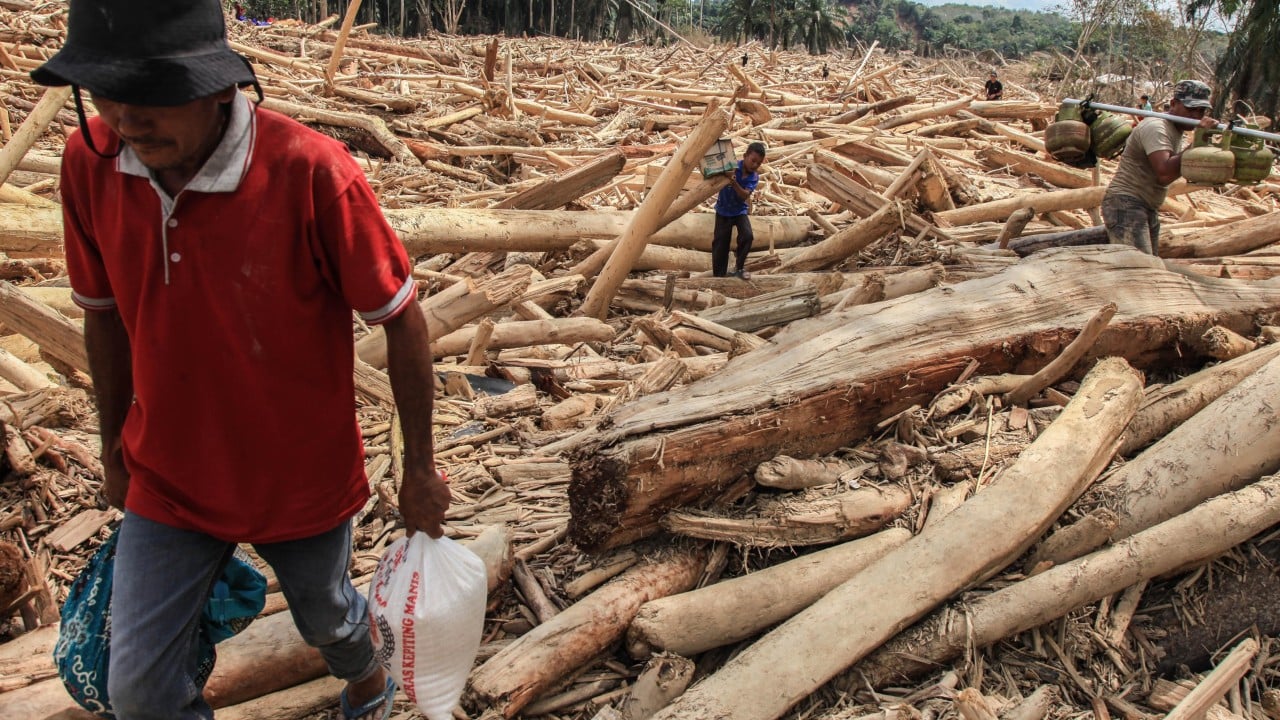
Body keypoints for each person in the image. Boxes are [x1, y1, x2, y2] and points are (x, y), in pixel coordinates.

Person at [30, 1, 449, 719]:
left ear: (219, 88)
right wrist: (112, 445)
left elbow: (402, 320)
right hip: (169, 471)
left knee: (328, 619)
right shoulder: (90, 162)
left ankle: (367, 678)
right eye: (105, 94)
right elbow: (102, 316)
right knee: (140, 693)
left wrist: (419, 469)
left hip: (298, 472)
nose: (126, 120)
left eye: (150, 96)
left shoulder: (311, 173)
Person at [1101, 80, 1218, 256]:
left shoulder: (1176, 129)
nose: (1196, 115)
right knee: (1140, 267)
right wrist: (1197, 142)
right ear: (1173, 103)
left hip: (1147, 206)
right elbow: (1164, 174)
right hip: (1126, 203)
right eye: (1191, 109)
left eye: (1201, 111)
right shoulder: (1156, 127)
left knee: (1150, 263)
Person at [712, 142, 765, 279]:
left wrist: (733, 182)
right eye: (753, 160)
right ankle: (719, 275)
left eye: (758, 163)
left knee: (747, 236)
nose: (755, 165)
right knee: (720, 243)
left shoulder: (754, 177)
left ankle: (739, 268)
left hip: (739, 211)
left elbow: (744, 195)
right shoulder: (732, 166)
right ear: (745, 156)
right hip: (723, 210)